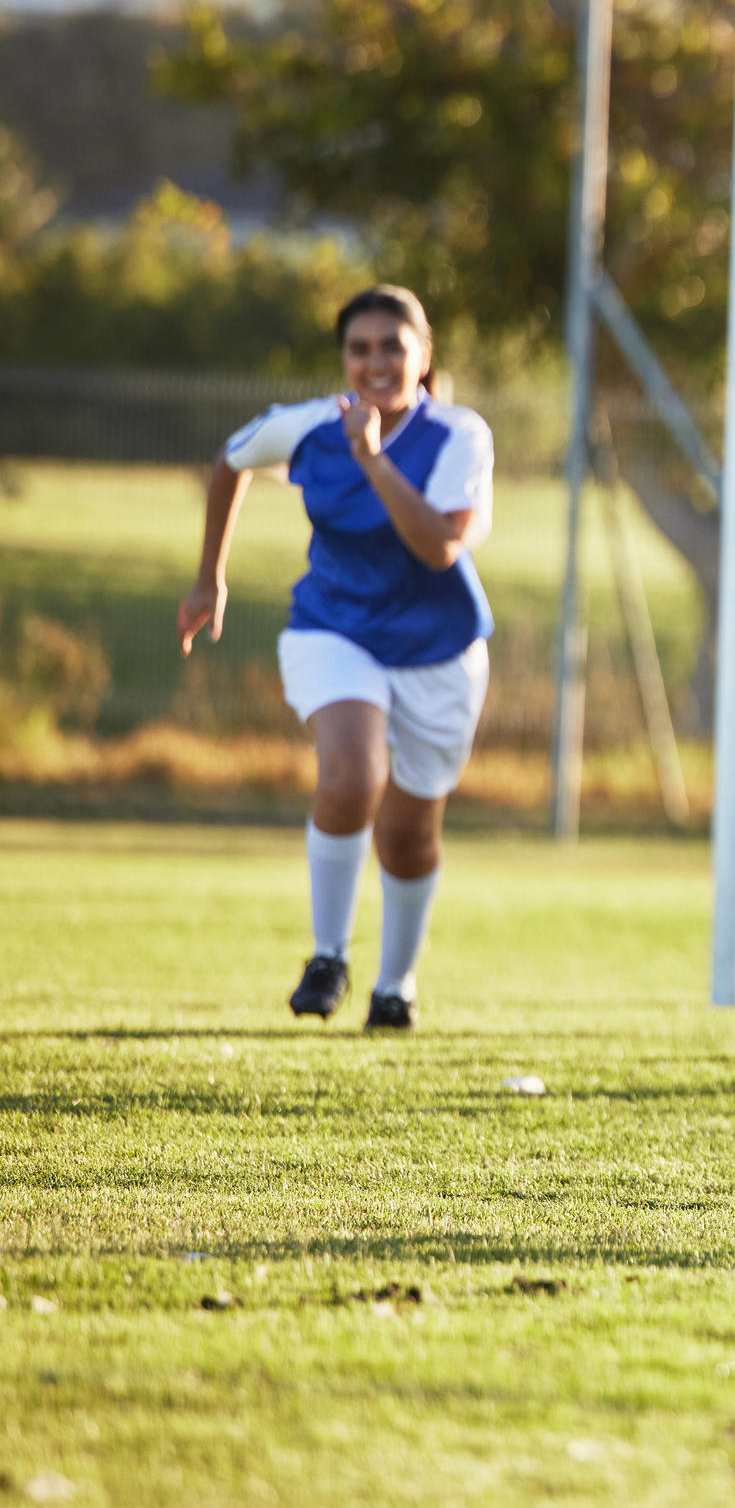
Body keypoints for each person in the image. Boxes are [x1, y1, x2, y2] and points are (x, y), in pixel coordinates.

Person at [179, 285, 495, 1031]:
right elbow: (230, 463)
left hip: (437, 650)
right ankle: (328, 955)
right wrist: (207, 578)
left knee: (410, 836)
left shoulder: (459, 436)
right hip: (334, 629)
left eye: (393, 345)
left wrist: (373, 458)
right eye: (361, 348)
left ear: (424, 357)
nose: (376, 361)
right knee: (352, 774)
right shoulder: (309, 426)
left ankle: (395, 987)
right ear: (344, 359)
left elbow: (439, 546)